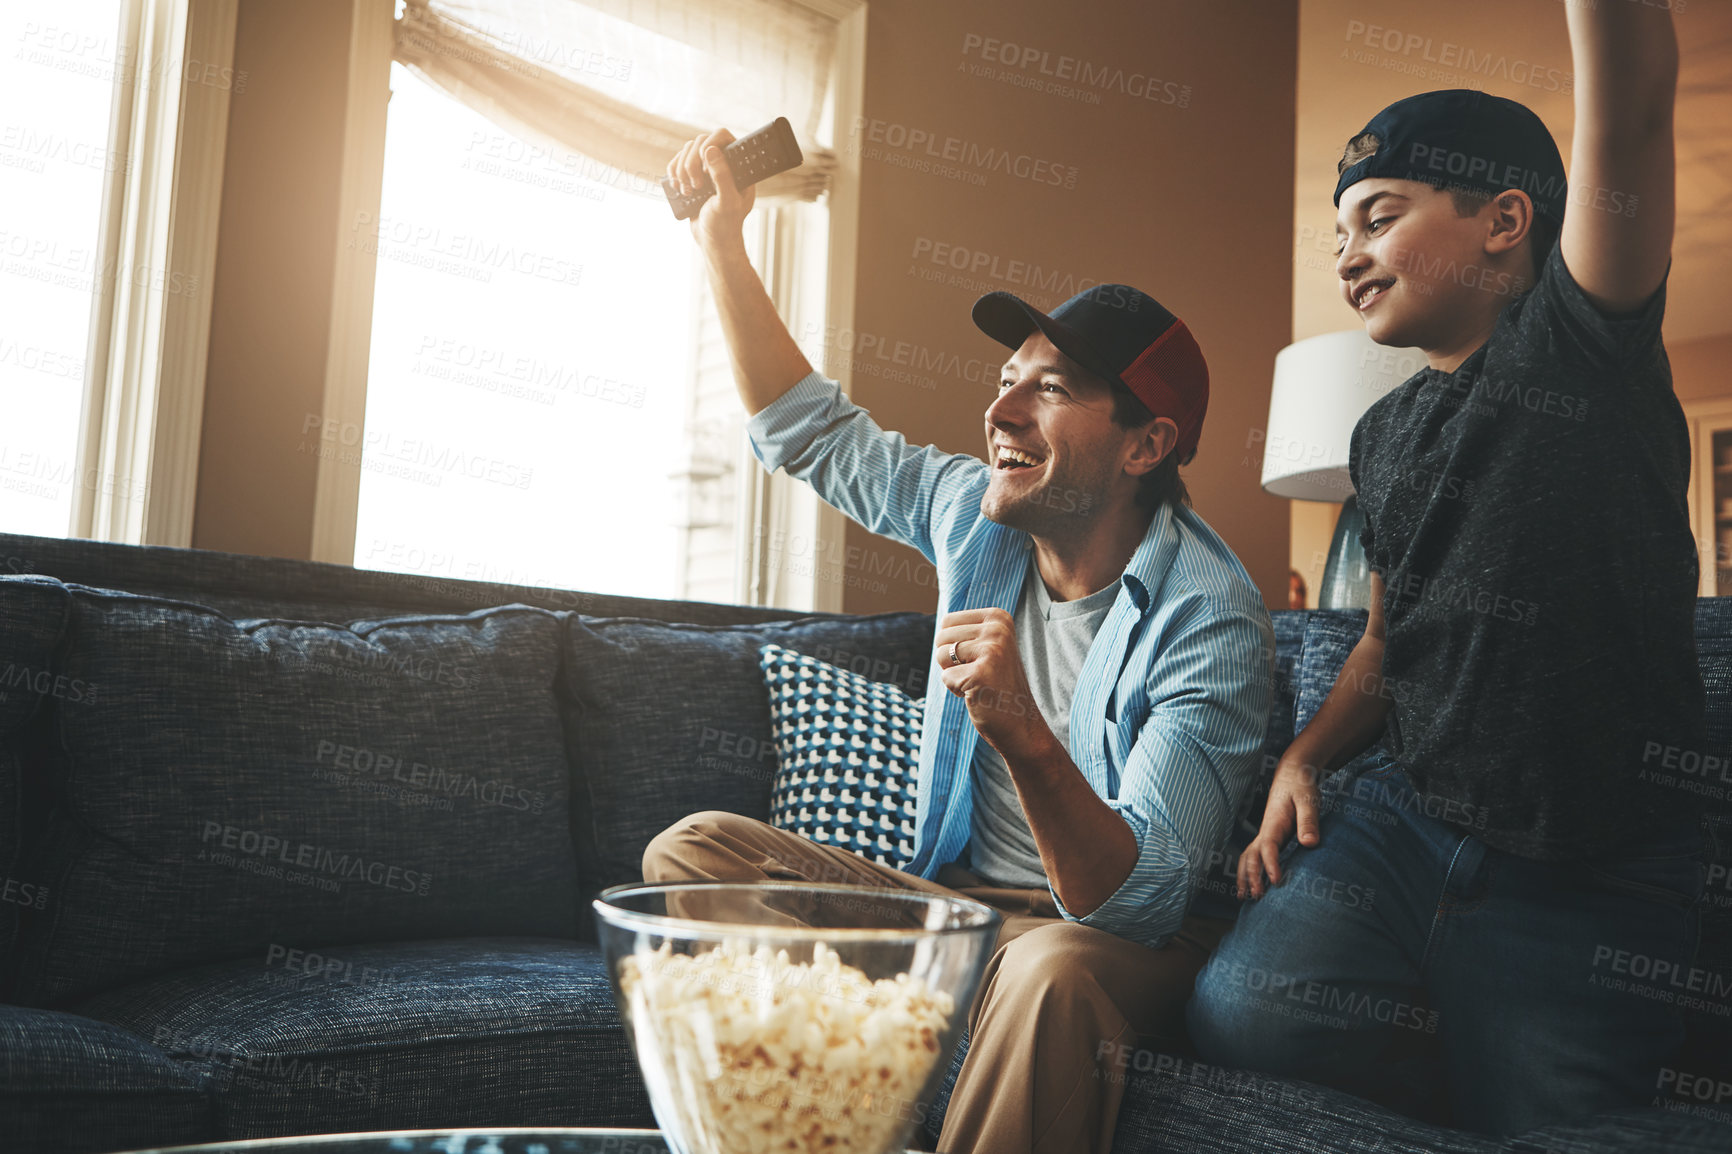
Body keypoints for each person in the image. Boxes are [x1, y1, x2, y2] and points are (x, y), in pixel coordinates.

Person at [641, 128, 1274, 1154]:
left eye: (1051, 388)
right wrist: (723, 240)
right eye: (1006, 376)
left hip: (1107, 944)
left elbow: (1146, 897)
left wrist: (1021, 727)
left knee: (1049, 968)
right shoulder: (972, 514)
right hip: (957, 915)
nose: (1000, 408)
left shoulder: (1211, 616)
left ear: (1145, 445)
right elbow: (811, 432)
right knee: (698, 850)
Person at [1187, 2, 1708, 1136]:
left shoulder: (1582, 342)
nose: (1347, 252)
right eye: (1338, 234)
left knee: (1557, 1119)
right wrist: (1303, 758)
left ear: (1504, 219)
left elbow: (1628, 105)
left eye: (1378, 215)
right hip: (1403, 822)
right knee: (1235, 1017)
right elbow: (1386, 640)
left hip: (1588, 862)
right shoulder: (1380, 435)